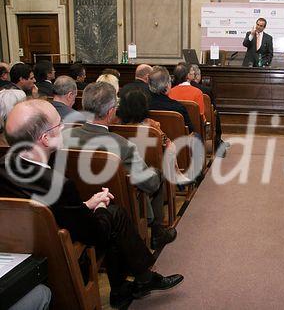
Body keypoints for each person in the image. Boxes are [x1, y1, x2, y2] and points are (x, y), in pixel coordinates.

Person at [0, 99, 183, 308]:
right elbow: (94, 234)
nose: (64, 129)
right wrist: (100, 207)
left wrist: (84, 205)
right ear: (44, 138)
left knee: (114, 214)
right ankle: (140, 280)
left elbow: (48, 212)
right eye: (59, 126)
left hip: (25, 246)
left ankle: (132, 284)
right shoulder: (59, 185)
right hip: (62, 258)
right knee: (113, 215)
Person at [62, 82, 176, 250]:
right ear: (110, 112)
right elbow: (149, 184)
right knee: (155, 176)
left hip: (78, 204)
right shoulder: (123, 145)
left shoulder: (64, 136)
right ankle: (157, 234)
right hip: (119, 206)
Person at [116, 87, 192, 184]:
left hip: (127, 171)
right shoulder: (152, 127)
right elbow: (168, 145)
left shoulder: (117, 128)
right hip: (154, 169)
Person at [148, 66, 194, 133]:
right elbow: (190, 130)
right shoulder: (178, 108)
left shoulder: (143, 106)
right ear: (167, 85)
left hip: (151, 142)